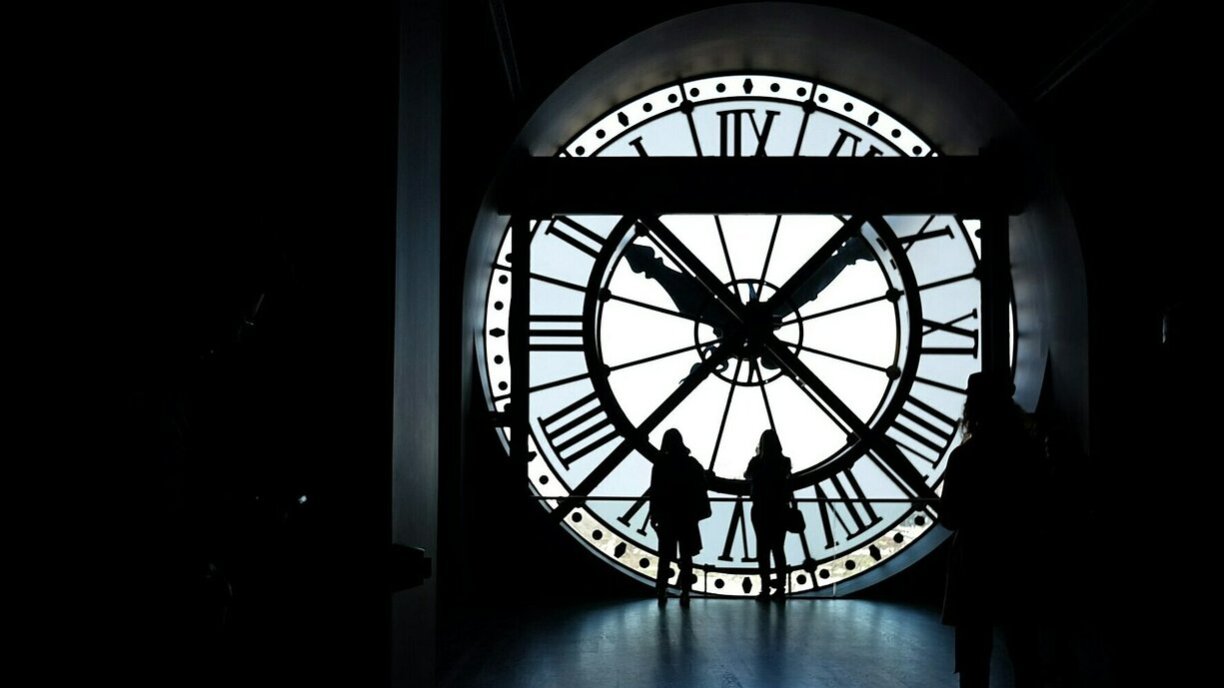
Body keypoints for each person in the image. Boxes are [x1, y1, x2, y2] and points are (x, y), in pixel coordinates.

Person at [939, 373, 1042, 688]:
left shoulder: (964, 457)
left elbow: (950, 517)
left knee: (973, 656)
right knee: (1024, 649)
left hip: (974, 562)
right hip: (1019, 557)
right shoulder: (1030, 453)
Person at [650, 429, 711, 607]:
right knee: (686, 556)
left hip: (667, 516)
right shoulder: (691, 463)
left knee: (665, 556)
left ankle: (661, 589)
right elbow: (702, 484)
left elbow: (655, 491)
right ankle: (685, 591)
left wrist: (654, 514)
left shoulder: (661, 464)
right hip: (687, 517)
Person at [744, 429, 792, 600]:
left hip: (760, 510)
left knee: (763, 551)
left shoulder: (757, 462)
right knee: (778, 549)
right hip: (780, 509)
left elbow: (747, 476)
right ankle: (781, 588)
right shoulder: (784, 462)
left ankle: (765, 589)